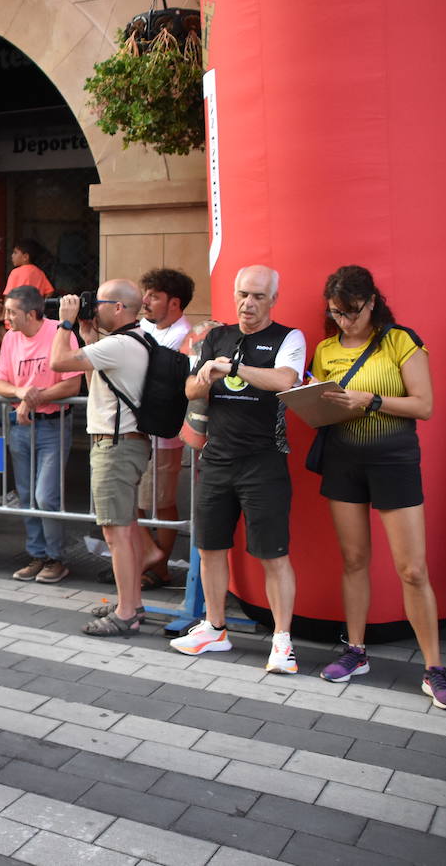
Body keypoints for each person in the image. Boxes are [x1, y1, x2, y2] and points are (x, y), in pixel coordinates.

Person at [309, 266, 446, 710]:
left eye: (352, 312)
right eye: (336, 313)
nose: (345, 321)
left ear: (372, 302)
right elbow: (321, 402)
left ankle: (434, 668)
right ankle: (356, 652)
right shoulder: (326, 348)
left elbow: (424, 405)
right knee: (354, 560)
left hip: (394, 462)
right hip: (343, 461)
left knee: (412, 569)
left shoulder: (399, 340)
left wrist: (368, 400)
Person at [169, 265, 304, 673]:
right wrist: (204, 377)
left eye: (258, 296)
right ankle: (214, 628)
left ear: (273, 300)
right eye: (243, 294)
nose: (248, 303)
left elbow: (286, 379)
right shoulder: (216, 336)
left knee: (273, 554)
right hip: (217, 457)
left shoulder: (288, 337)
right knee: (209, 548)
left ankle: (282, 641)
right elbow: (192, 389)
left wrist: (233, 369)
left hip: (264, 460)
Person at [50, 279, 150, 635]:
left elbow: (58, 362)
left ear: (120, 308)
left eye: (100, 302)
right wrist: (88, 335)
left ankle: (125, 613)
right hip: (126, 443)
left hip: (116, 445)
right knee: (128, 530)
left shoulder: (121, 344)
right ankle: (133, 602)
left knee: (115, 534)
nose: (94, 307)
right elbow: (96, 385)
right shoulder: (131, 342)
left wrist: (64, 323)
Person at [0, 285, 83, 584]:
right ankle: (38, 555)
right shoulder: (10, 339)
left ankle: (56, 557)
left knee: (46, 496)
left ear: (31, 313)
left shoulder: (61, 331)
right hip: (20, 425)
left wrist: (33, 398)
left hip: (53, 424)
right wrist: (20, 392)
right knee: (28, 495)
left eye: (11, 312)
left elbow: (72, 385)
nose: (6, 318)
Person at [136, 268, 196, 587]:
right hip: (138, 432)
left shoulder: (184, 337)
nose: (145, 301)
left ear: (175, 303)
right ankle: (149, 560)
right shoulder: (144, 326)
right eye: (146, 294)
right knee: (141, 503)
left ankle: (159, 566)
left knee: (159, 502)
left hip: (162, 436)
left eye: (154, 296)